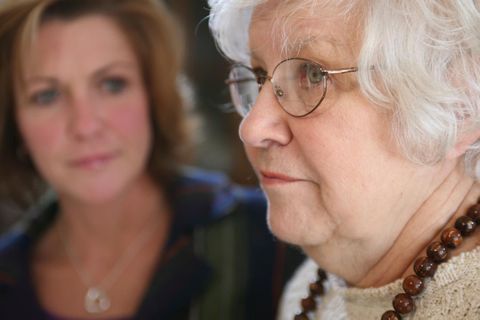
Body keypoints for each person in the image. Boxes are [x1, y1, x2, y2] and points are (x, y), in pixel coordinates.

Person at [0, 0, 303, 319]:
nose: (85, 126)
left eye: (112, 84)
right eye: (47, 95)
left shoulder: (276, 243)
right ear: (14, 125)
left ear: (153, 96)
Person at [208, 0, 480, 319]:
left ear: (457, 108)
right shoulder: (310, 287)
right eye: (259, 75)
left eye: (313, 75)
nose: (252, 128)